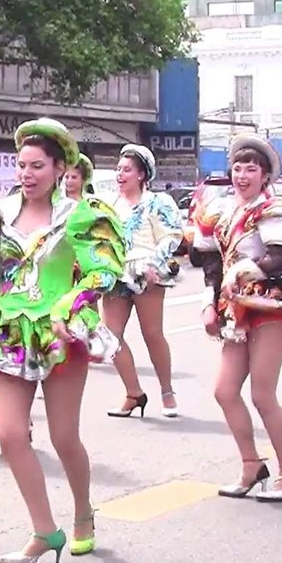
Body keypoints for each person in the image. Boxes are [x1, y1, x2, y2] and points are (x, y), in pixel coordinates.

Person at [0, 118, 127, 563]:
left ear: (60, 169)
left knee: (63, 436)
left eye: (37, 165)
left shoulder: (81, 215)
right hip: (11, 332)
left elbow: (103, 273)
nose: (27, 173)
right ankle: (44, 531)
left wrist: (70, 306)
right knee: (12, 434)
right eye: (21, 165)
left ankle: (82, 512)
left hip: (61, 335)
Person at [189, 135, 282, 502]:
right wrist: (210, 302)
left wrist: (245, 272)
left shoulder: (278, 209)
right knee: (224, 391)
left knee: (262, 393)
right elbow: (211, 262)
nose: (242, 175)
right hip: (234, 306)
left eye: (251, 169)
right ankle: (250, 464)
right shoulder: (221, 211)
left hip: (269, 304)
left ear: (264, 176)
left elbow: (280, 257)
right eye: (238, 168)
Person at [103, 144, 183, 418]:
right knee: (110, 336)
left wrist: (154, 265)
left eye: (126, 169)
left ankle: (167, 391)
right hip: (115, 274)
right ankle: (134, 393)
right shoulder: (109, 205)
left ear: (141, 174)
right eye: (118, 169)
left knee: (152, 334)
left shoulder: (157, 202)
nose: (120, 174)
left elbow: (171, 235)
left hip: (147, 271)